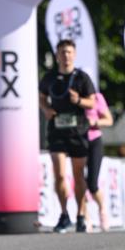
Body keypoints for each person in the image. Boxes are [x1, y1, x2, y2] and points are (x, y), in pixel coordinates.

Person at [39, 39, 96, 233]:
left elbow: (93, 102)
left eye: (69, 52)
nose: (66, 56)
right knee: (60, 174)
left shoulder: (82, 78)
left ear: (75, 54)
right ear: (57, 56)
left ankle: (81, 214)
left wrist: (78, 100)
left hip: (78, 132)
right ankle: (64, 215)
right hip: (56, 132)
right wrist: (46, 108)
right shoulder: (50, 77)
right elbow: (40, 96)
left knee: (78, 175)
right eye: (62, 52)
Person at [83, 90, 114, 231]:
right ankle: (85, 217)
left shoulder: (96, 97)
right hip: (76, 140)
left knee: (92, 184)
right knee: (79, 183)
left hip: (94, 140)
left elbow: (109, 119)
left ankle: (102, 209)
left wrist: (94, 121)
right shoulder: (70, 98)